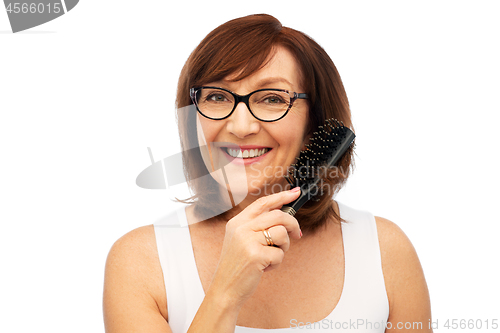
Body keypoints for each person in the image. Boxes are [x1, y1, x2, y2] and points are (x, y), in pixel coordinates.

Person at [103, 14, 433, 333]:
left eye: (272, 99)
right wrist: (225, 293)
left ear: (314, 122)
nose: (241, 126)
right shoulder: (141, 262)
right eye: (217, 96)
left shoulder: (386, 252)